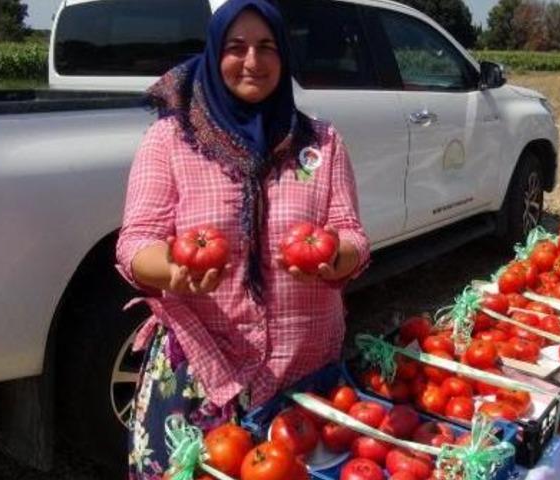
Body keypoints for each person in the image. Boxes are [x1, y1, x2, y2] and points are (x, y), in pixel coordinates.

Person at [115, 0, 370, 477]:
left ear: (284, 57)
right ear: (214, 55)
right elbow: (134, 244)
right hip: (200, 376)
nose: (252, 61)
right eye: (236, 47)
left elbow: (353, 234)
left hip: (303, 373)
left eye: (267, 47)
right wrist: (172, 270)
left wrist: (338, 259)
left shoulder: (322, 143)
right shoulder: (171, 139)